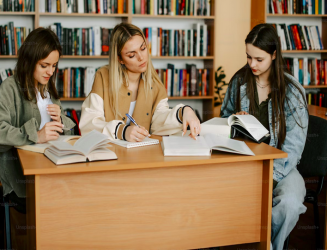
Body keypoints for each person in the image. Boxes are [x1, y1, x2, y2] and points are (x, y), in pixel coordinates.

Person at [220, 23, 308, 250]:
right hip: (244, 163)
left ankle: (268, 245)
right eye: (249, 57)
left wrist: (271, 179)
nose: (252, 64)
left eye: (259, 59)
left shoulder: (292, 92)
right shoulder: (239, 82)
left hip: (282, 166)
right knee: (218, 197)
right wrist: (235, 122)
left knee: (289, 203)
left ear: (274, 55)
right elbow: (222, 124)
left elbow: (293, 147)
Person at [0, 28, 75, 209]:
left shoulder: (48, 87)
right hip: (23, 173)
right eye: (44, 65)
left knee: (79, 192)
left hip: (52, 164)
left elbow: (66, 132)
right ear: (29, 60)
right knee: (57, 200)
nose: (50, 71)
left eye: (54, 65)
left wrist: (60, 119)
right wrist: (36, 135)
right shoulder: (10, 87)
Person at [79, 23, 201, 142]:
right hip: (110, 155)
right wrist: (122, 131)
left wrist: (184, 111)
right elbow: (89, 124)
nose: (141, 57)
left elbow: (159, 123)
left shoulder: (155, 84)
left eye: (143, 48)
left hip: (142, 157)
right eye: (132, 55)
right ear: (120, 59)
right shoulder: (103, 76)